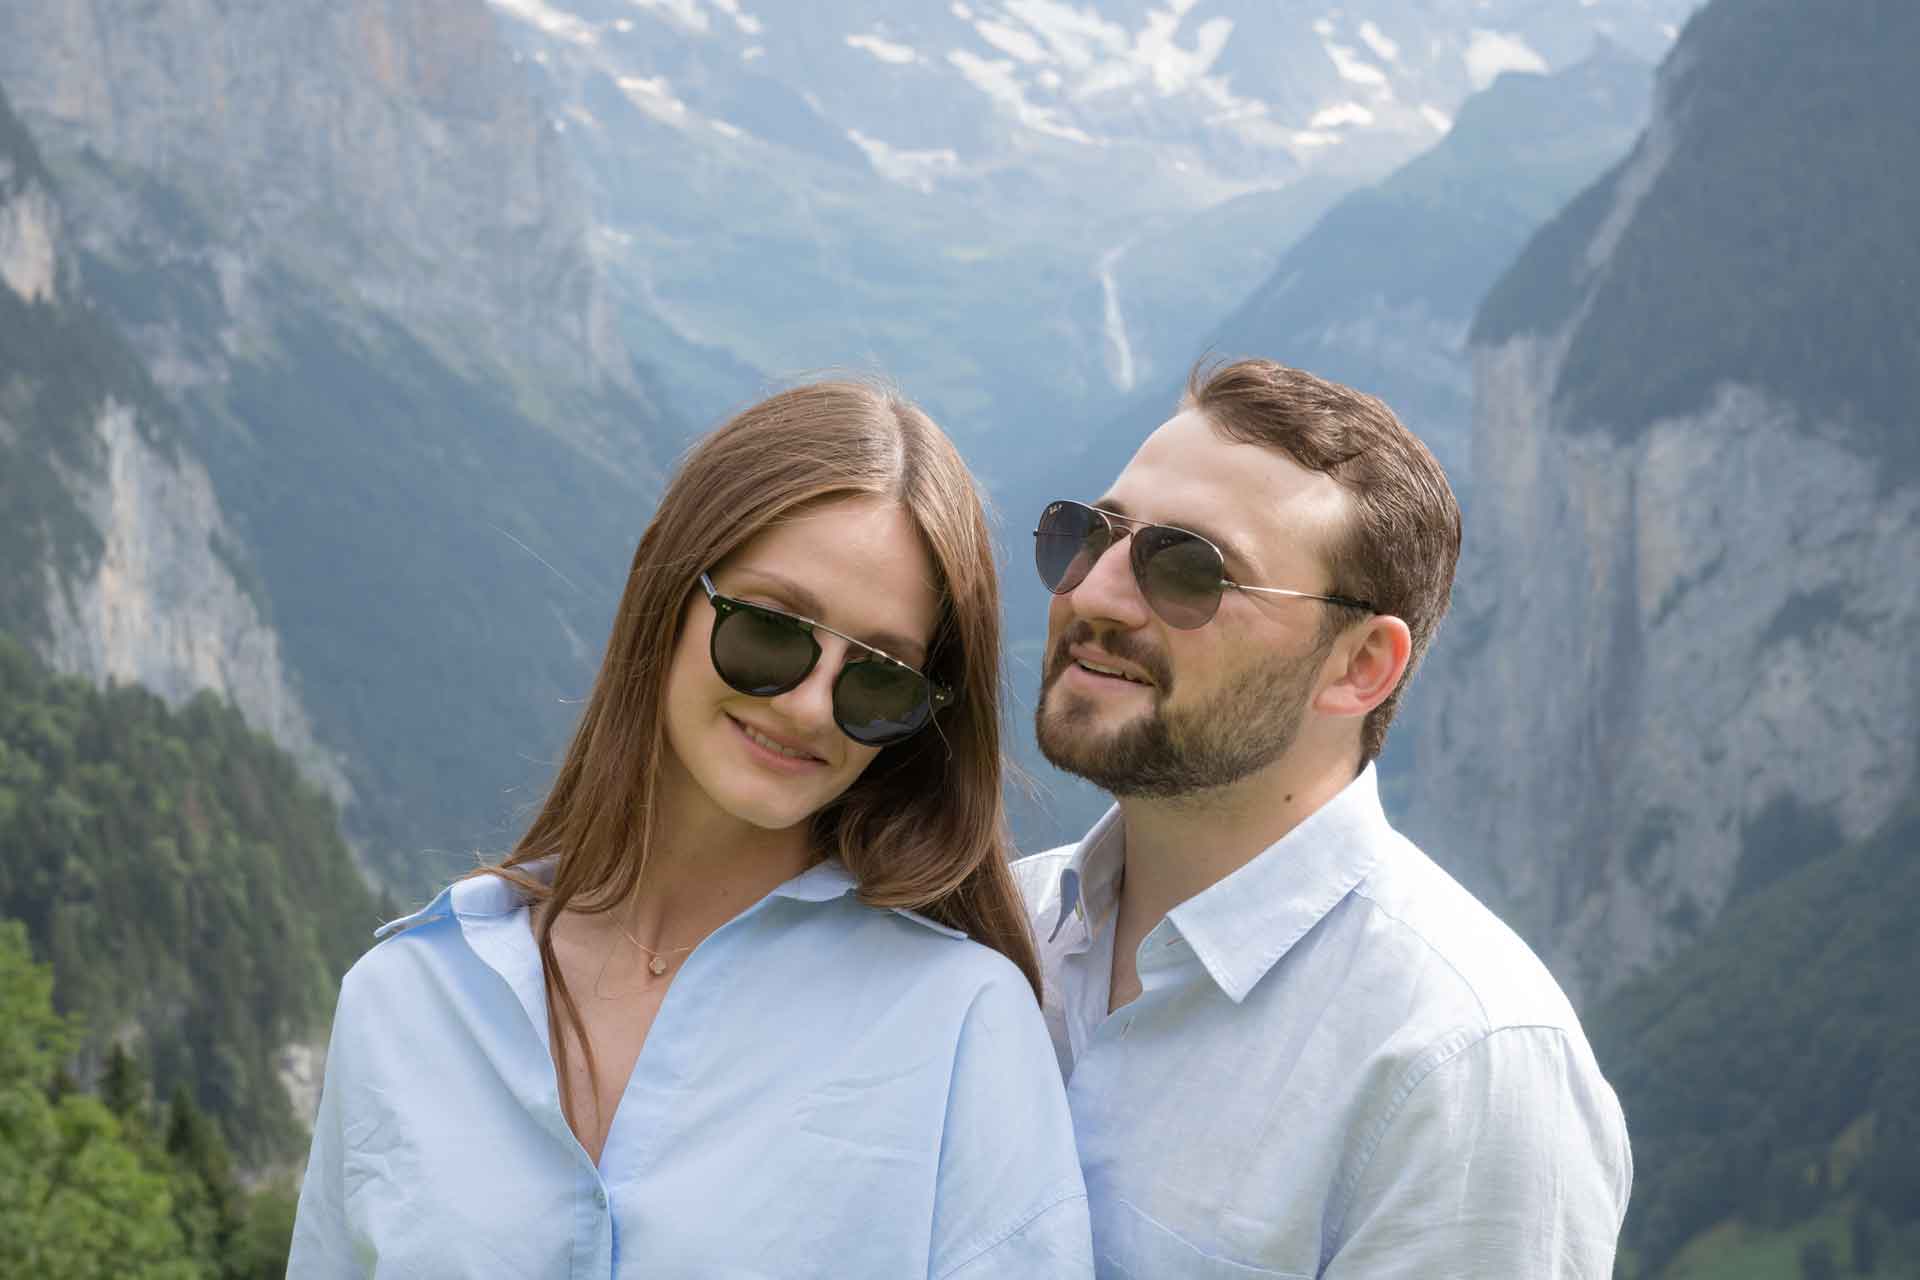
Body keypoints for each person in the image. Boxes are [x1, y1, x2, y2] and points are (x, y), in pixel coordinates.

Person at [289, 382, 1093, 1277]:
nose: (810, 705)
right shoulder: (406, 1001)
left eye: (879, 678)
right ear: (667, 589)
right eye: (772, 630)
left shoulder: (963, 1027)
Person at [1015, 358, 1631, 1278]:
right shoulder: (1007, 926)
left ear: (1359, 669)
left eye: (1186, 569)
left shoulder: (1463, 1068)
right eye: (1089, 533)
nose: (1096, 594)